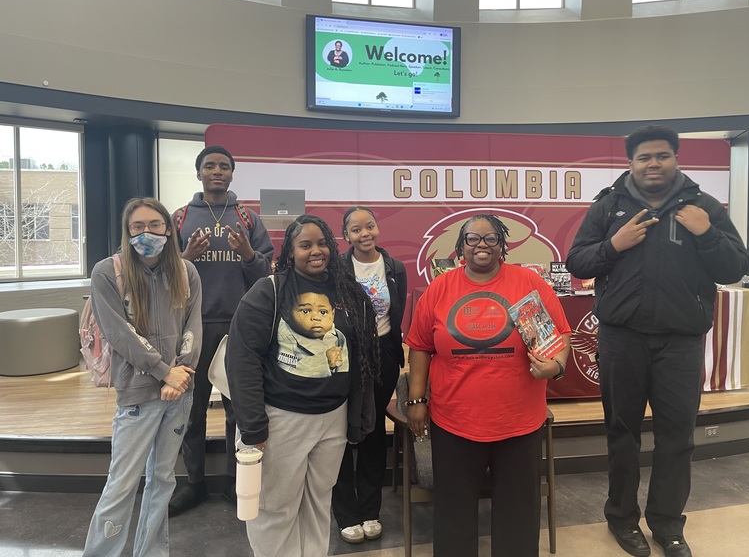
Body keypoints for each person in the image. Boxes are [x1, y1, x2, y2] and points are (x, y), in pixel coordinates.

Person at [566, 124, 749, 557]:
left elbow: (734, 268)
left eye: (662, 155)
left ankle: (668, 525)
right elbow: (578, 261)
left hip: (680, 343)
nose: (654, 164)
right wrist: (614, 244)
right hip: (621, 339)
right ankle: (622, 520)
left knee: (677, 437)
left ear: (676, 159)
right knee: (621, 433)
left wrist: (707, 234)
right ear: (631, 163)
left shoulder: (704, 207)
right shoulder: (609, 207)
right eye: (644, 157)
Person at [405, 214, 571, 557]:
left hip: (519, 422)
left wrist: (555, 366)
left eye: (490, 238)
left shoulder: (528, 284)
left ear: (503, 245)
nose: (481, 245)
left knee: (519, 516)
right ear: (460, 247)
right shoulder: (440, 288)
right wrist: (416, 399)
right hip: (455, 422)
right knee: (453, 515)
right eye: (472, 239)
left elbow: (559, 336)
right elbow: (420, 345)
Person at [225, 214, 380, 557]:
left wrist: (358, 417)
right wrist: (253, 425)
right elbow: (242, 359)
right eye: (305, 245)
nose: (316, 251)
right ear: (290, 251)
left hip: (332, 420)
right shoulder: (270, 291)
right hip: (280, 420)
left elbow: (363, 359)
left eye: (322, 243)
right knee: (275, 508)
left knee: (318, 503)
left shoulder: (349, 293)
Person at [82, 197, 202, 557]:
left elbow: (192, 327)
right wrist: (165, 373)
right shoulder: (108, 272)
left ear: (168, 227)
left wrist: (179, 375)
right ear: (127, 231)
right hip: (138, 395)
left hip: (180, 394)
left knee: (163, 481)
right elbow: (120, 334)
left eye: (154, 225)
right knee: (121, 485)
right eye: (138, 227)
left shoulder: (185, 271)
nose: (146, 232)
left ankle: (151, 552)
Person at [169, 145, 275, 516]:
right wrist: (184, 260)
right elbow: (163, 277)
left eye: (224, 166)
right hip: (192, 327)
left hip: (238, 328)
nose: (217, 171)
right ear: (199, 173)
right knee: (191, 411)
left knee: (240, 412)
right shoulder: (180, 217)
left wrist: (247, 253)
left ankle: (237, 485)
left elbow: (265, 274)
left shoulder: (247, 217)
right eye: (210, 166)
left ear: (232, 174)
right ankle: (194, 485)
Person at [332, 206, 408, 543]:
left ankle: (369, 510)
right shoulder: (337, 268)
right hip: (347, 357)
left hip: (384, 356)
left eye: (370, 226)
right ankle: (346, 512)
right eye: (356, 229)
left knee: (375, 431)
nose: (365, 234)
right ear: (346, 235)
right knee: (341, 431)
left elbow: (397, 312)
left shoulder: (394, 267)